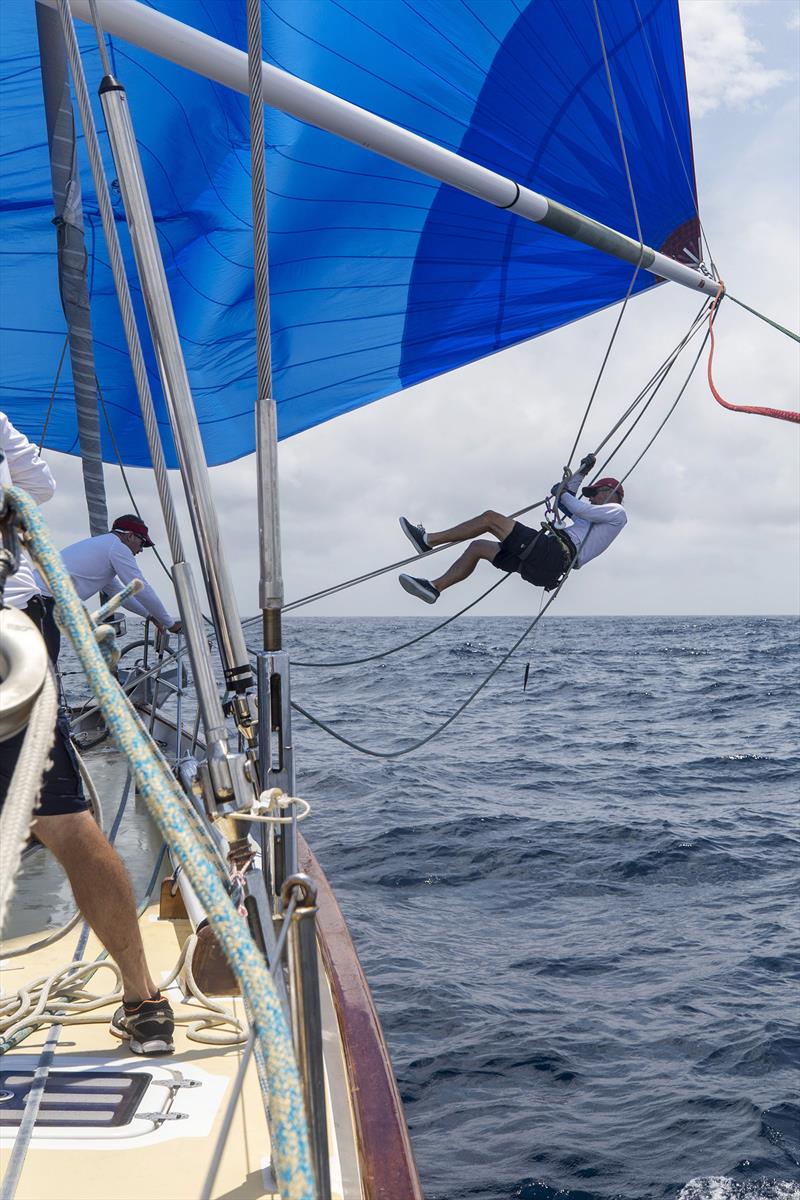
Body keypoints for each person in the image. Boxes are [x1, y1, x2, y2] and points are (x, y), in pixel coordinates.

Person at [0, 412, 174, 1055]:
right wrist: (173, 624)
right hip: (15, 623)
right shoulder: (112, 550)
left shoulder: (105, 552)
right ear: (130, 536)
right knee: (65, 817)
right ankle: (143, 1000)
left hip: (20, 619)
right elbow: (37, 487)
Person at [397, 454, 627, 604]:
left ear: (612, 492)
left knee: (490, 519)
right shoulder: (593, 518)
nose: (591, 499)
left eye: (594, 493)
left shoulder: (616, 512)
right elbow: (564, 501)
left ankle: (427, 541)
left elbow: (573, 503)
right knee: (478, 547)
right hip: (546, 568)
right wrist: (581, 474)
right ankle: (435, 588)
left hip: (554, 554)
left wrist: (565, 492)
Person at [37, 514, 182, 634]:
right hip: (45, 601)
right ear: (129, 536)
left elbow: (120, 594)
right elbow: (140, 589)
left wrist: (150, 615)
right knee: (44, 659)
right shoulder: (118, 548)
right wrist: (170, 624)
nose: (141, 550)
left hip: (35, 598)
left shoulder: (104, 548)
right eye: (142, 542)